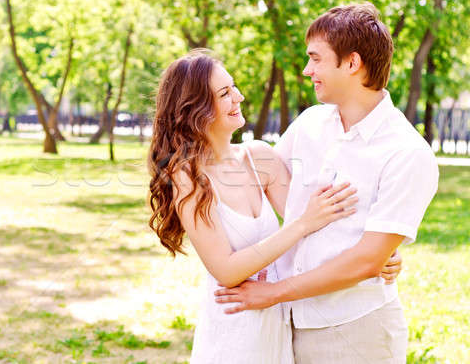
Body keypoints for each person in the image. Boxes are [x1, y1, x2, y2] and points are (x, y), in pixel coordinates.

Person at [214, 3, 438, 363]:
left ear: (352, 63)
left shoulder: (407, 152)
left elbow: (366, 261)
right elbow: (258, 178)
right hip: (286, 327)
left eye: (316, 59)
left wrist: (272, 293)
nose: (307, 70)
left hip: (355, 331)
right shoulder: (310, 124)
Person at [148, 49, 402, 363]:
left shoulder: (259, 158)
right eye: (225, 93)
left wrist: (377, 252)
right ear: (195, 109)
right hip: (233, 328)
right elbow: (226, 270)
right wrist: (302, 224)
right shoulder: (187, 177)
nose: (239, 96)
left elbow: (321, 225)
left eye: (234, 86)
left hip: (278, 325)